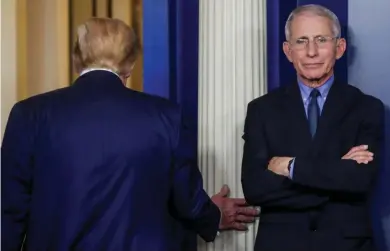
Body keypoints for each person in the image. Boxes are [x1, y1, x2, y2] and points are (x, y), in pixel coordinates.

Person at [1, 17, 258, 251]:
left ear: (76, 59)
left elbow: (8, 211)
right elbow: (187, 202)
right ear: (131, 64)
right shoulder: (166, 116)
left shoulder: (29, 115)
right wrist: (213, 216)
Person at [241, 4, 384, 251]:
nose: (311, 52)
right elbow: (256, 189)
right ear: (288, 51)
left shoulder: (366, 108)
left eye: (321, 40)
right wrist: (336, 173)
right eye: (301, 41)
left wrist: (289, 166)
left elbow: (359, 180)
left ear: (339, 48)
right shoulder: (261, 110)